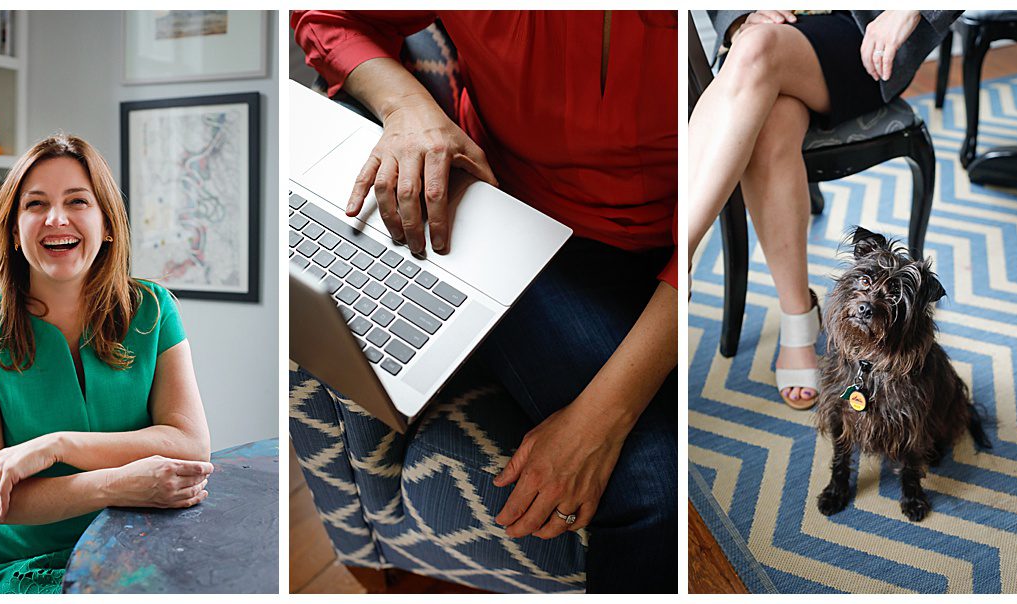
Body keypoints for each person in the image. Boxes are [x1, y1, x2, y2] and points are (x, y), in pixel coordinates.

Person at [292, 11, 676, 592]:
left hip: (679, 242)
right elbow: (330, 16)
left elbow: (720, 211)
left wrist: (601, 418)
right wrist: (407, 106)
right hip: (512, 218)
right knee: (656, 489)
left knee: (654, 493)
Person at [0, 134, 213, 594]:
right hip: (21, 561)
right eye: (35, 204)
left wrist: (57, 446)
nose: (56, 219)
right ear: (13, 229)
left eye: (77, 201)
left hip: (140, 540)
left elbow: (190, 445)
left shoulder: (153, 308)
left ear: (107, 223)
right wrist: (119, 483)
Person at [684, 10, 961, 408]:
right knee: (770, 121)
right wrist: (737, 15)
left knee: (755, 50)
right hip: (770, 23)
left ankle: (680, 250)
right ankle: (798, 311)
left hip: (860, 31)